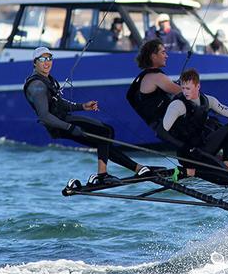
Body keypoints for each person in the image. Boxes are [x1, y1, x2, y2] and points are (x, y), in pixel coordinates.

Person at [24, 47, 149, 185]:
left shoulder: (48, 80)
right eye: (42, 59)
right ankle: (102, 175)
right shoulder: (37, 85)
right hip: (60, 124)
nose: (47, 62)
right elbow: (44, 116)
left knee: (103, 143)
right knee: (105, 131)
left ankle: (139, 169)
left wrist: (82, 106)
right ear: (35, 62)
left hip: (63, 121)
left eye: (49, 59)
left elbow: (59, 104)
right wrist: (70, 127)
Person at [159, 68, 228, 186]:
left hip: (203, 147)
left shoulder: (208, 100)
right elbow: (161, 132)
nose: (185, 92)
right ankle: (186, 171)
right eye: (183, 88)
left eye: (188, 88)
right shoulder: (177, 105)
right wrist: (185, 147)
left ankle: (226, 164)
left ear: (198, 86)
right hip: (189, 154)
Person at [126, 39, 182, 130]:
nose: (166, 56)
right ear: (154, 56)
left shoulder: (144, 75)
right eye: (163, 53)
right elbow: (184, 92)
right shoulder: (156, 77)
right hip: (167, 127)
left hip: (155, 126)